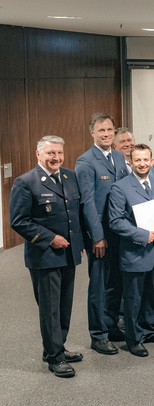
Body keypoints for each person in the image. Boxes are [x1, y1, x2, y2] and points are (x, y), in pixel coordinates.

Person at [10, 135, 85, 378]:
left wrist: (79, 243)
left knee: (64, 305)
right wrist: (49, 238)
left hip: (69, 253)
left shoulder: (69, 176)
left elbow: (75, 214)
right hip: (45, 255)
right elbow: (19, 221)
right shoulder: (26, 182)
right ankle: (55, 358)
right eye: (51, 153)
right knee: (50, 308)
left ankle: (57, 347)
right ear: (38, 154)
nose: (56, 158)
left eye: (60, 153)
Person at [108, 144, 154, 357]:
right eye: (138, 160)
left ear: (152, 161)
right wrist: (142, 235)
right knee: (133, 298)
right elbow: (115, 222)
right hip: (135, 251)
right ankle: (133, 339)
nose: (142, 164)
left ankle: (150, 330)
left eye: (146, 160)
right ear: (131, 163)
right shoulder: (120, 187)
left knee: (150, 294)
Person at [75, 113, 128, 356]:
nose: (106, 134)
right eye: (101, 131)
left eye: (110, 130)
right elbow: (87, 203)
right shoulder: (86, 162)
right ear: (92, 134)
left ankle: (110, 324)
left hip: (118, 231)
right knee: (99, 284)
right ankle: (98, 335)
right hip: (99, 235)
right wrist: (96, 236)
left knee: (115, 282)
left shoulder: (118, 156)